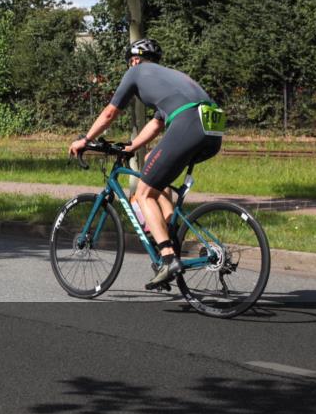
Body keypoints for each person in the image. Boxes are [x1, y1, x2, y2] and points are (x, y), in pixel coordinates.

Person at [68, 38, 225, 288]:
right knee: (153, 167)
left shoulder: (136, 72)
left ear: (134, 60)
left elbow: (110, 112)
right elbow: (157, 123)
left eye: (131, 61)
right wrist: (131, 148)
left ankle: (168, 258)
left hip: (188, 123)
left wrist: (86, 139)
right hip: (213, 129)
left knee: (143, 194)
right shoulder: (169, 76)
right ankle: (170, 229)